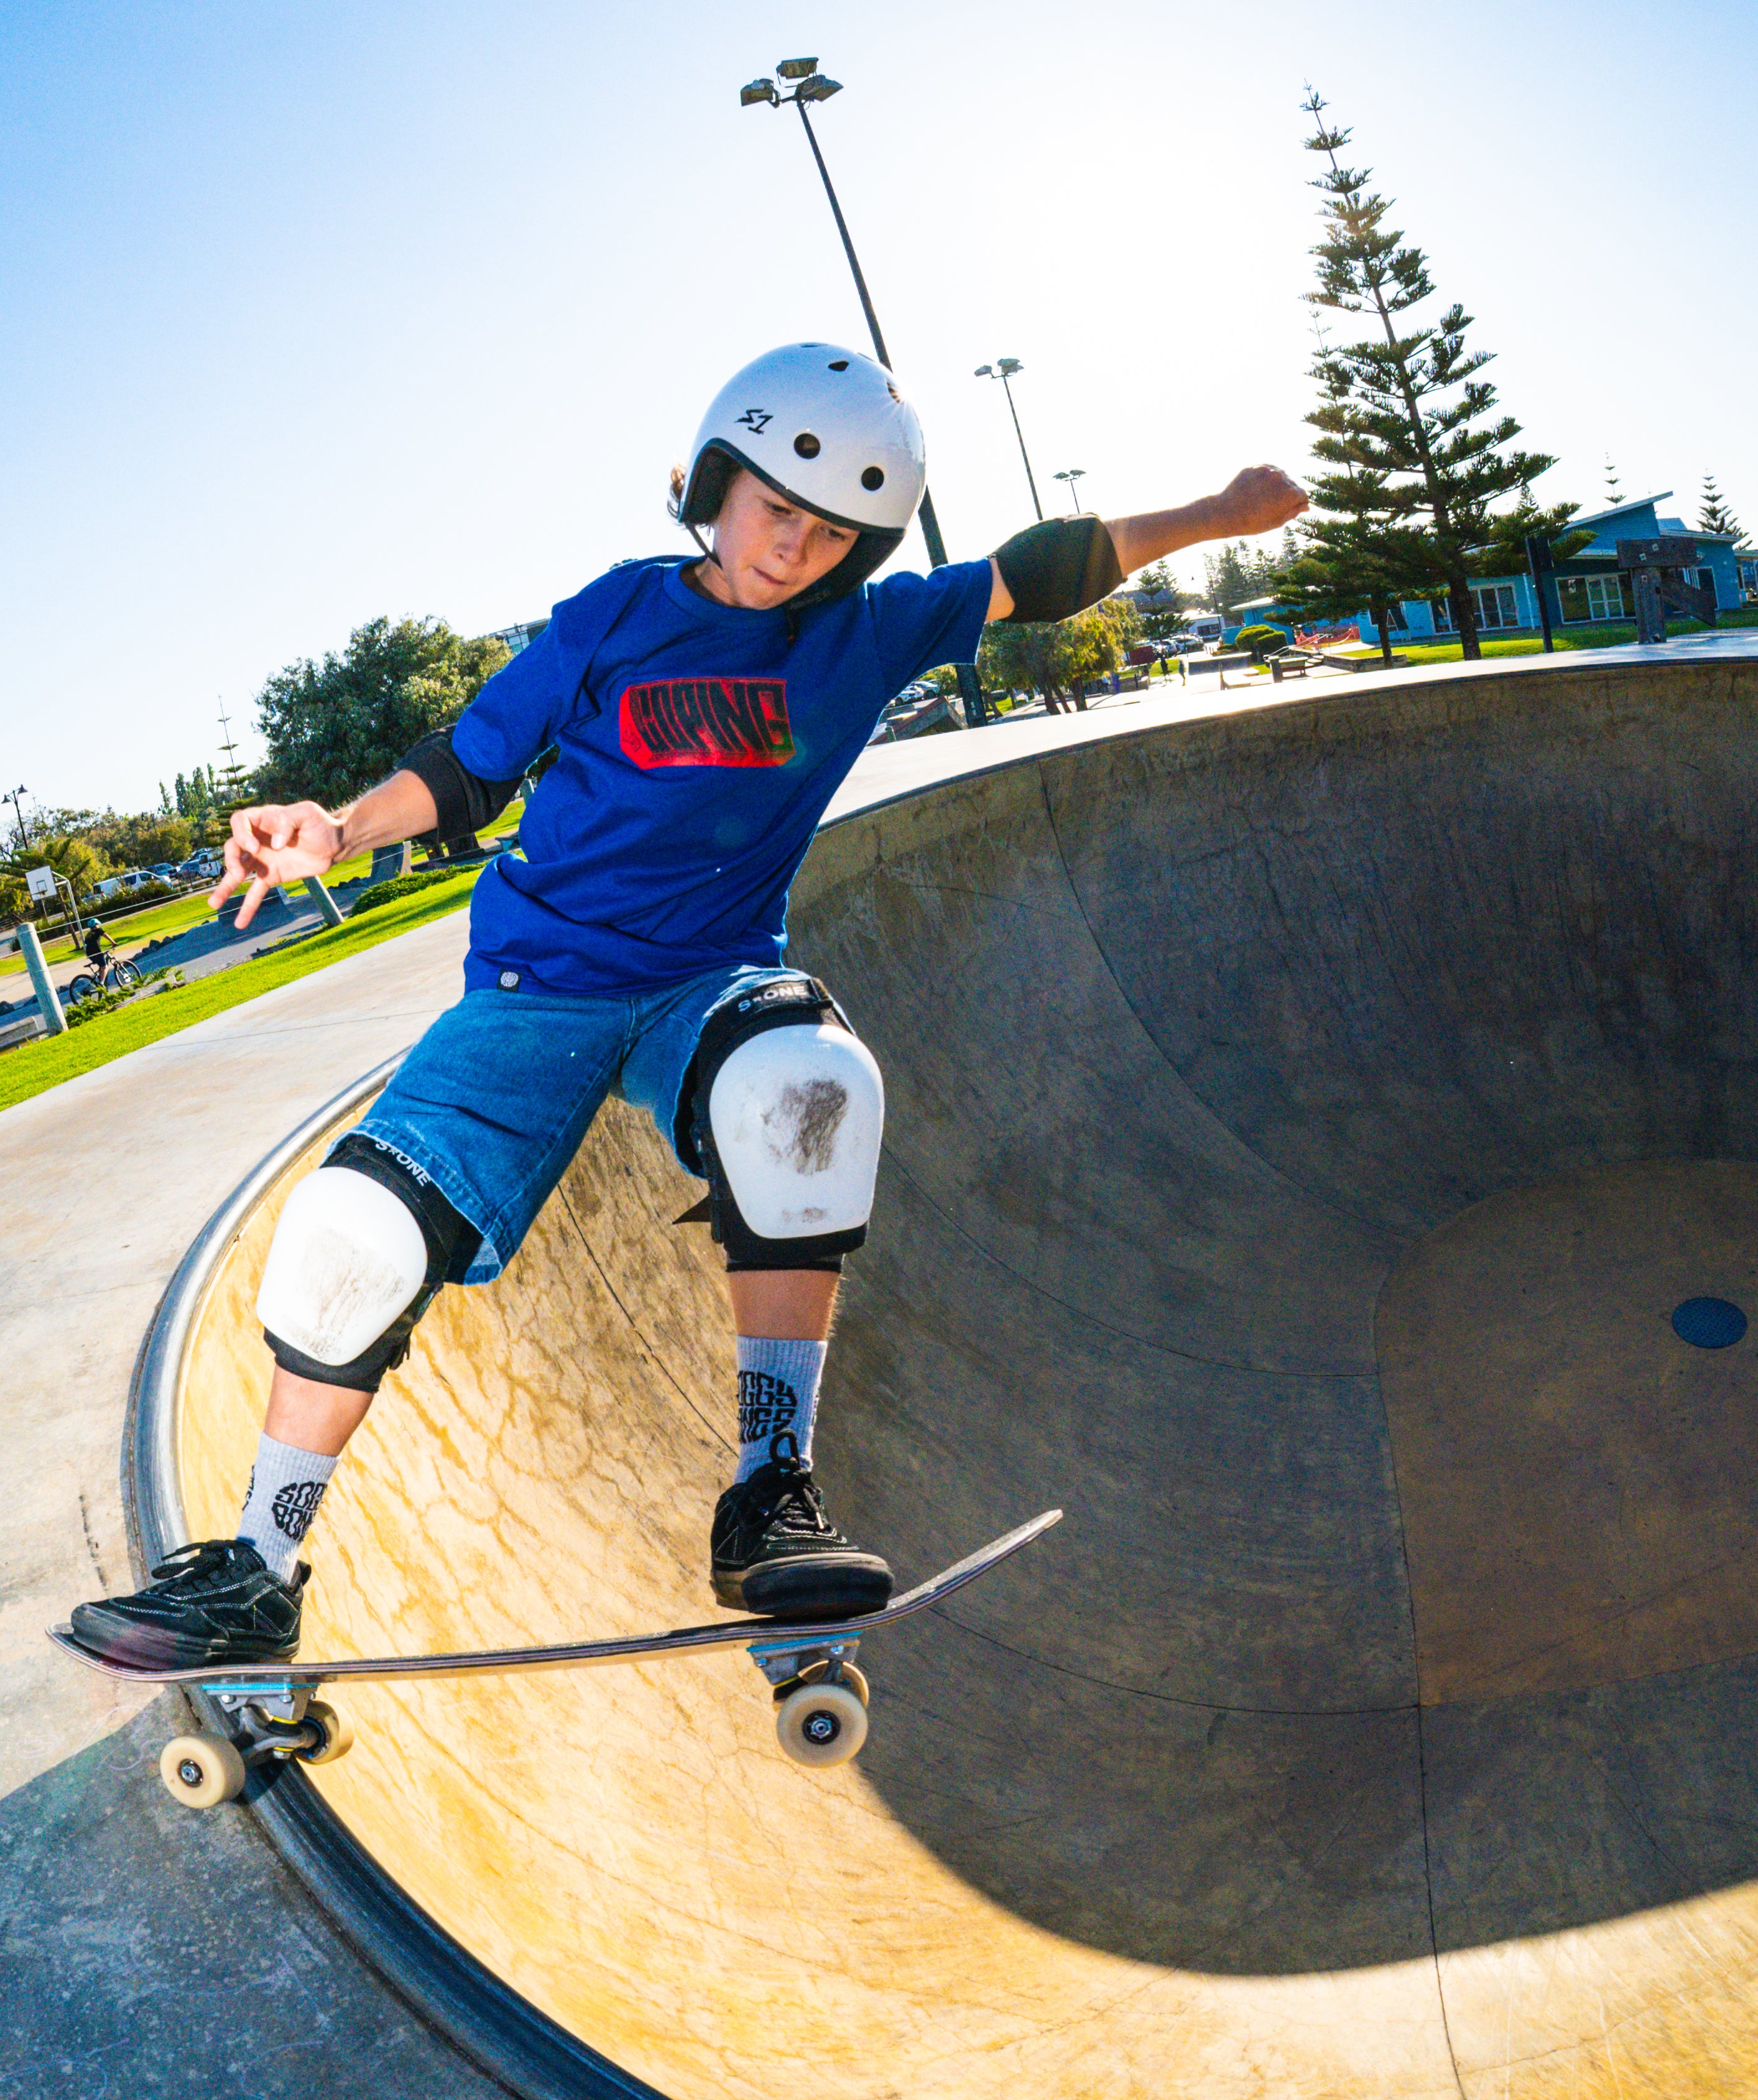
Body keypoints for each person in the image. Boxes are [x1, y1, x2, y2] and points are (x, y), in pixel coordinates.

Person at [64, 341, 1305, 1674]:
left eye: (836, 534)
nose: (797, 551)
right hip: (535, 993)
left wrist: (1217, 515)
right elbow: (466, 767)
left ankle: (770, 1491)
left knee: (811, 1095)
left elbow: (1043, 566)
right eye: (778, 510)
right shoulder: (614, 614)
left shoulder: (864, 631)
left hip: (709, 979)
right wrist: (336, 825)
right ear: (717, 484)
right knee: (348, 1232)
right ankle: (256, 1564)